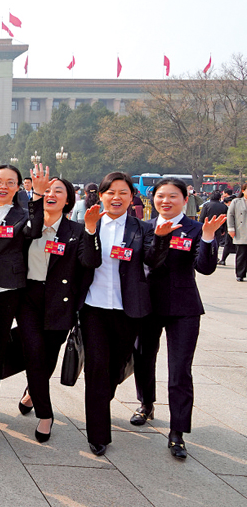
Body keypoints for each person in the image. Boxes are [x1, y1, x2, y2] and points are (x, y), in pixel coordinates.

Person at [132, 178, 224, 458]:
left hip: (183, 307)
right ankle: (146, 404)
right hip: (149, 304)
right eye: (161, 196)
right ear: (153, 199)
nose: (166, 201)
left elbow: (205, 268)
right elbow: (149, 262)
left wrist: (208, 238)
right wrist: (160, 237)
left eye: (173, 196)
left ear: (186, 200)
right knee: (143, 357)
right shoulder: (145, 227)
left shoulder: (197, 229)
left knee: (180, 369)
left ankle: (177, 432)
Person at [77, 172, 168, 456]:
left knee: (115, 367)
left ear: (132, 198)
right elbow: (87, 261)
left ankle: (103, 397)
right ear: (100, 195)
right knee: (95, 369)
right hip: (94, 309)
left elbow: (152, 261)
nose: (116, 197)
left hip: (129, 310)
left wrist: (162, 240)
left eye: (123, 193)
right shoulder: (88, 226)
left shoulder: (141, 229)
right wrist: (91, 232)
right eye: (110, 192)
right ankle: (98, 434)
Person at [16, 176, 98, 442]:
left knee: (48, 358)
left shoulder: (75, 230)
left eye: (58, 190)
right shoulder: (29, 227)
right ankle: (45, 413)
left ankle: (32, 392)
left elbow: (89, 263)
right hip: (29, 298)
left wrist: (90, 231)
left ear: (68, 199)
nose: (51, 194)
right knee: (34, 353)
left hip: (60, 303)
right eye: (47, 190)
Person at [0, 164, 45, 442]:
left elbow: (35, 231)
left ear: (17, 187)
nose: (3, 186)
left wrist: (37, 195)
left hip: (6, 290)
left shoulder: (23, 214)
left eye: (10, 182)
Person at [226, 183, 247, 281]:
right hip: (241, 231)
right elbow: (230, 215)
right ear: (243, 191)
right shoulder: (236, 202)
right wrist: (231, 228)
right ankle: (240, 274)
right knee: (241, 254)